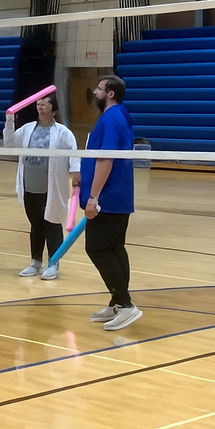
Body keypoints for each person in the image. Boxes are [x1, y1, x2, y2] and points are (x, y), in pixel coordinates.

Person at [81, 75, 141, 331]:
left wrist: (94, 198)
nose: (95, 92)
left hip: (108, 198)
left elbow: (106, 159)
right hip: (117, 197)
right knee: (115, 248)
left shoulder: (113, 118)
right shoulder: (118, 116)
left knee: (97, 248)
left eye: (99, 88)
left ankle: (126, 305)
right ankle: (118, 301)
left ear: (111, 94)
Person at [4, 94, 80, 280]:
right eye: (38, 103)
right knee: (36, 225)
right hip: (30, 186)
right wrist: (9, 122)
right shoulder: (27, 129)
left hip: (51, 189)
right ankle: (35, 262)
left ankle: (53, 263)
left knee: (52, 225)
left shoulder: (63, 133)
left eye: (44, 104)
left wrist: (76, 173)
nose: (40, 106)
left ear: (53, 109)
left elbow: (74, 155)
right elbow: (9, 144)